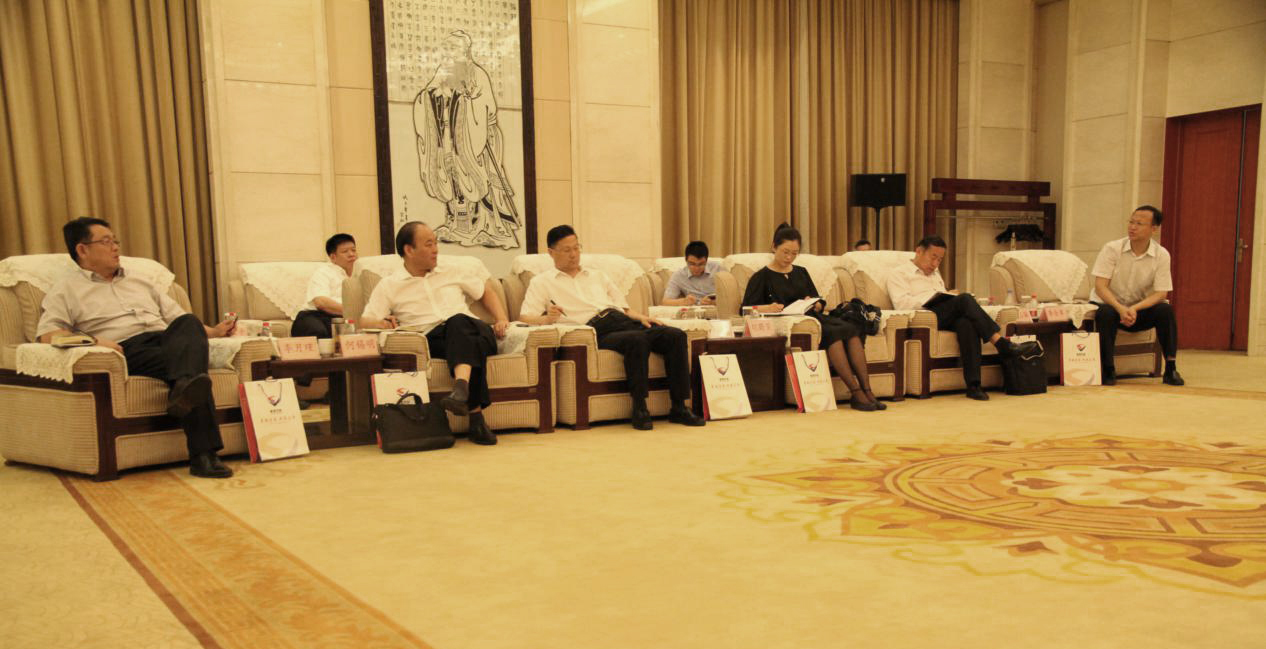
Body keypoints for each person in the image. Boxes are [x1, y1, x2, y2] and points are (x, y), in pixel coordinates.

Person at [37, 217, 238, 478]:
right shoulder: (66, 290)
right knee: (193, 368)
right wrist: (96, 342)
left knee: (189, 325)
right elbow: (48, 335)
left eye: (115, 241)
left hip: (167, 341)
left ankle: (184, 390)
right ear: (82, 250)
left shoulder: (140, 281)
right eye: (106, 242)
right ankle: (204, 455)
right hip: (127, 349)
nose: (115, 247)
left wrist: (215, 331)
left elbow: (180, 320)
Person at [519, 225, 705, 430]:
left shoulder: (598, 275)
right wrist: (547, 318)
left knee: (675, 335)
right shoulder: (542, 282)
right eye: (567, 250)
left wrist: (643, 318)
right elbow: (525, 317)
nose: (574, 254)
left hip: (622, 320)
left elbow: (623, 308)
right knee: (637, 340)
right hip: (597, 330)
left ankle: (679, 407)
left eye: (577, 248)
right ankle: (640, 407)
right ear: (551, 252)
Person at [359, 221, 510, 445]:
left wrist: (502, 318)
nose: (436, 249)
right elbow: (365, 320)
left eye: (436, 243)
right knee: (470, 344)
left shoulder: (451, 270)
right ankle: (475, 418)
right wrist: (382, 322)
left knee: (458, 322)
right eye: (429, 244)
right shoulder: (390, 285)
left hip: (474, 328)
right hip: (434, 340)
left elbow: (485, 292)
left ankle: (462, 389)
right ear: (409, 250)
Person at [742, 224, 886, 411]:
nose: (789, 257)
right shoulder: (762, 276)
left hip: (813, 316)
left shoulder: (801, 271)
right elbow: (745, 309)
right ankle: (856, 392)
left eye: (794, 253)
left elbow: (818, 299)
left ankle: (867, 391)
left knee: (851, 329)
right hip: (793, 321)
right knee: (833, 333)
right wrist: (768, 307)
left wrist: (816, 304)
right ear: (774, 247)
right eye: (785, 252)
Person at [886, 235, 1016, 401]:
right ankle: (1000, 343)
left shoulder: (935, 273)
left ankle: (974, 386)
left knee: (967, 323)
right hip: (925, 317)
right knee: (965, 299)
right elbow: (901, 304)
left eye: (940, 260)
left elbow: (942, 295)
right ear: (919, 251)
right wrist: (930, 298)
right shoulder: (899, 274)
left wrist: (946, 295)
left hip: (944, 313)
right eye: (933, 257)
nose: (935, 264)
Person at [1091, 206, 1183, 386]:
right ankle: (1108, 369)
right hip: (1112, 306)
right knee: (1105, 313)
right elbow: (1100, 286)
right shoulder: (1112, 248)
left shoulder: (1161, 255)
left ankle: (1171, 368)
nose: (1132, 227)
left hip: (1138, 309)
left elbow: (1161, 293)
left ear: (1154, 229)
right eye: (1131, 222)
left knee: (1165, 310)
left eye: (1139, 224)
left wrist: (1134, 308)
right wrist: (1121, 308)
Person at [291, 234, 357, 339]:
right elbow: (321, 302)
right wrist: (353, 312)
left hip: (345, 319)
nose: (351, 254)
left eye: (353, 250)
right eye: (345, 251)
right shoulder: (324, 272)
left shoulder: (361, 274)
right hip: (315, 316)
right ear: (333, 257)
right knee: (319, 332)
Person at [661, 240, 721, 307]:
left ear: (706, 261)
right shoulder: (679, 275)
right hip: (694, 310)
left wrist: (715, 302)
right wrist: (684, 301)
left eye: (701, 264)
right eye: (692, 264)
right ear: (686, 260)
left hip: (717, 308)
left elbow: (729, 294)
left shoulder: (717, 268)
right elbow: (665, 302)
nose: (696, 268)